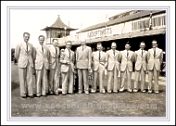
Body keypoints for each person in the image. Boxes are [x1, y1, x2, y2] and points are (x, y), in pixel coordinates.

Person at [15, 32, 35, 98]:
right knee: (22, 79)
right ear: (23, 37)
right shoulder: (19, 44)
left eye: (28, 37)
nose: (27, 38)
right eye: (26, 37)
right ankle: (23, 94)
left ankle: (30, 93)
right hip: (22, 63)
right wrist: (20, 60)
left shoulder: (31, 45)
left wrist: (31, 61)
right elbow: (16, 55)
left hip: (29, 63)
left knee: (30, 79)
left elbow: (33, 55)